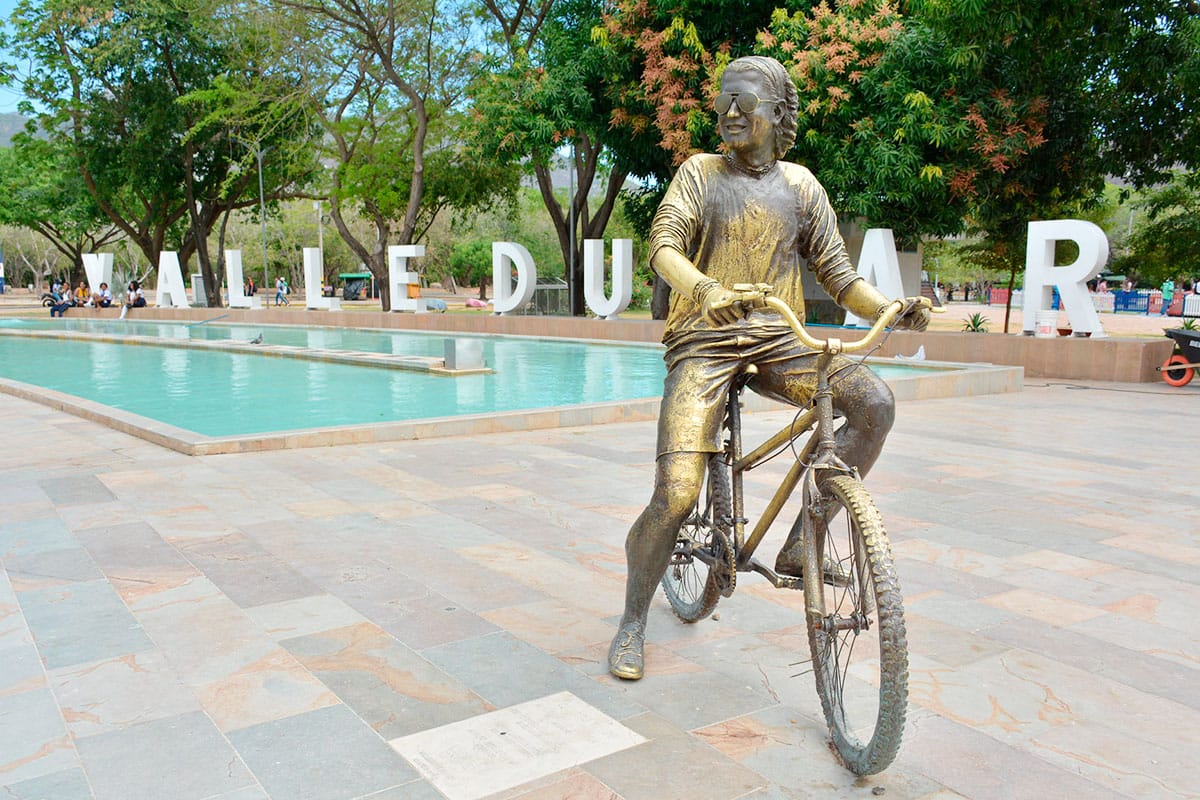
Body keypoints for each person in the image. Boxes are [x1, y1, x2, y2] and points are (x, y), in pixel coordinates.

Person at [607, 56, 929, 681]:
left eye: (744, 102)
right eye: (724, 100)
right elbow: (663, 247)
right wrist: (703, 289)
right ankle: (632, 621)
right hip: (703, 339)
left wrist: (888, 307)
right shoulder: (699, 174)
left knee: (874, 406)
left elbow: (839, 277)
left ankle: (800, 542)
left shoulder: (803, 187)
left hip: (777, 339)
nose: (729, 112)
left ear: (778, 114)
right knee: (676, 495)